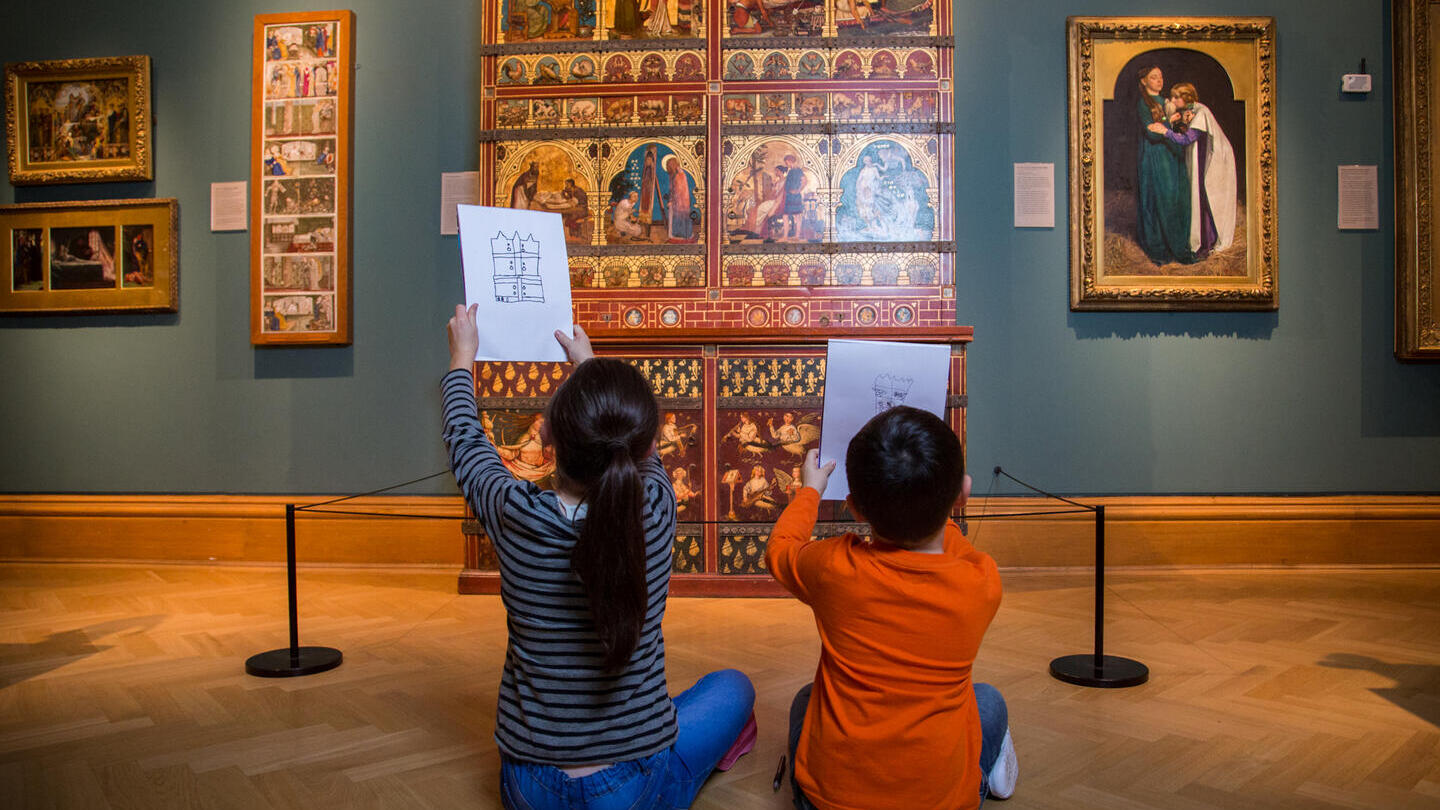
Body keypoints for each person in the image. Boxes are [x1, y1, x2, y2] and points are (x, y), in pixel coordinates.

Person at [443, 308, 757, 809]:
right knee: (733, 687)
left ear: (547, 439)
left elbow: (464, 440)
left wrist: (463, 357)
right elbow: (638, 446)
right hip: (632, 788)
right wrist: (589, 364)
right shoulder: (655, 509)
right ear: (648, 445)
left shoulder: (513, 514)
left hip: (530, 790)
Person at [766, 407, 1017, 810]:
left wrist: (809, 491)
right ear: (961, 494)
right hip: (941, 803)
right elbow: (951, 544)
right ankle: (984, 776)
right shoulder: (981, 581)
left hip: (829, 802)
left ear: (855, 508)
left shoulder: (834, 568)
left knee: (805, 700)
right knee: (988, 700)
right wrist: (943, 504)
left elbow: (780, 549)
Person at [1148, 82, 1237, 259]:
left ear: (1186, 98)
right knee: (1199, 198)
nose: (1172, 100)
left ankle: (1208, 243)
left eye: (1176, 97)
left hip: (1214, 159)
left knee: (1207, 198)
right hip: (1201, 158)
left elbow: (1186, 139)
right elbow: (1185, 132)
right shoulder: (1191, 110)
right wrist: (1175, 122)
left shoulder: (1201, 112)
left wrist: (1164, 131)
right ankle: (1202, 241)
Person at [1135, 65, 1195, 265]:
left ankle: (1180, 244)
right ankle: (1160, 248)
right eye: (1154, 77)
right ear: (1144, 81)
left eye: (1160, 76)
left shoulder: (1168, 101)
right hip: (1156, 155)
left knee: (1179, 196)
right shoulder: (1144, 103)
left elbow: (1169, 127)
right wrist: (1168, 122)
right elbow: (1152, 133)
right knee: (1162, 198)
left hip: (1171, 152)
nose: (1159, 80)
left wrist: (1177, 122)